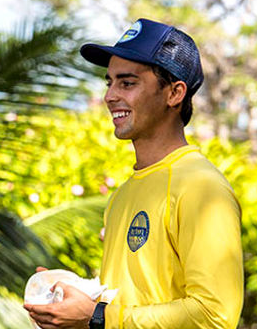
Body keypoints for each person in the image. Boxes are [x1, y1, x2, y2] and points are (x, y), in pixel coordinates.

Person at [24, 19, 243, 329]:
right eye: (109, 82)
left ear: (174, 93)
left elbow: (215, 314)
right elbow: (135, 296)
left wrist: (96, 318)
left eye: (127, 83)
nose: (110, 96)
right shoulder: (124, 194)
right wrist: (73, 298)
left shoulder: (201, 187)